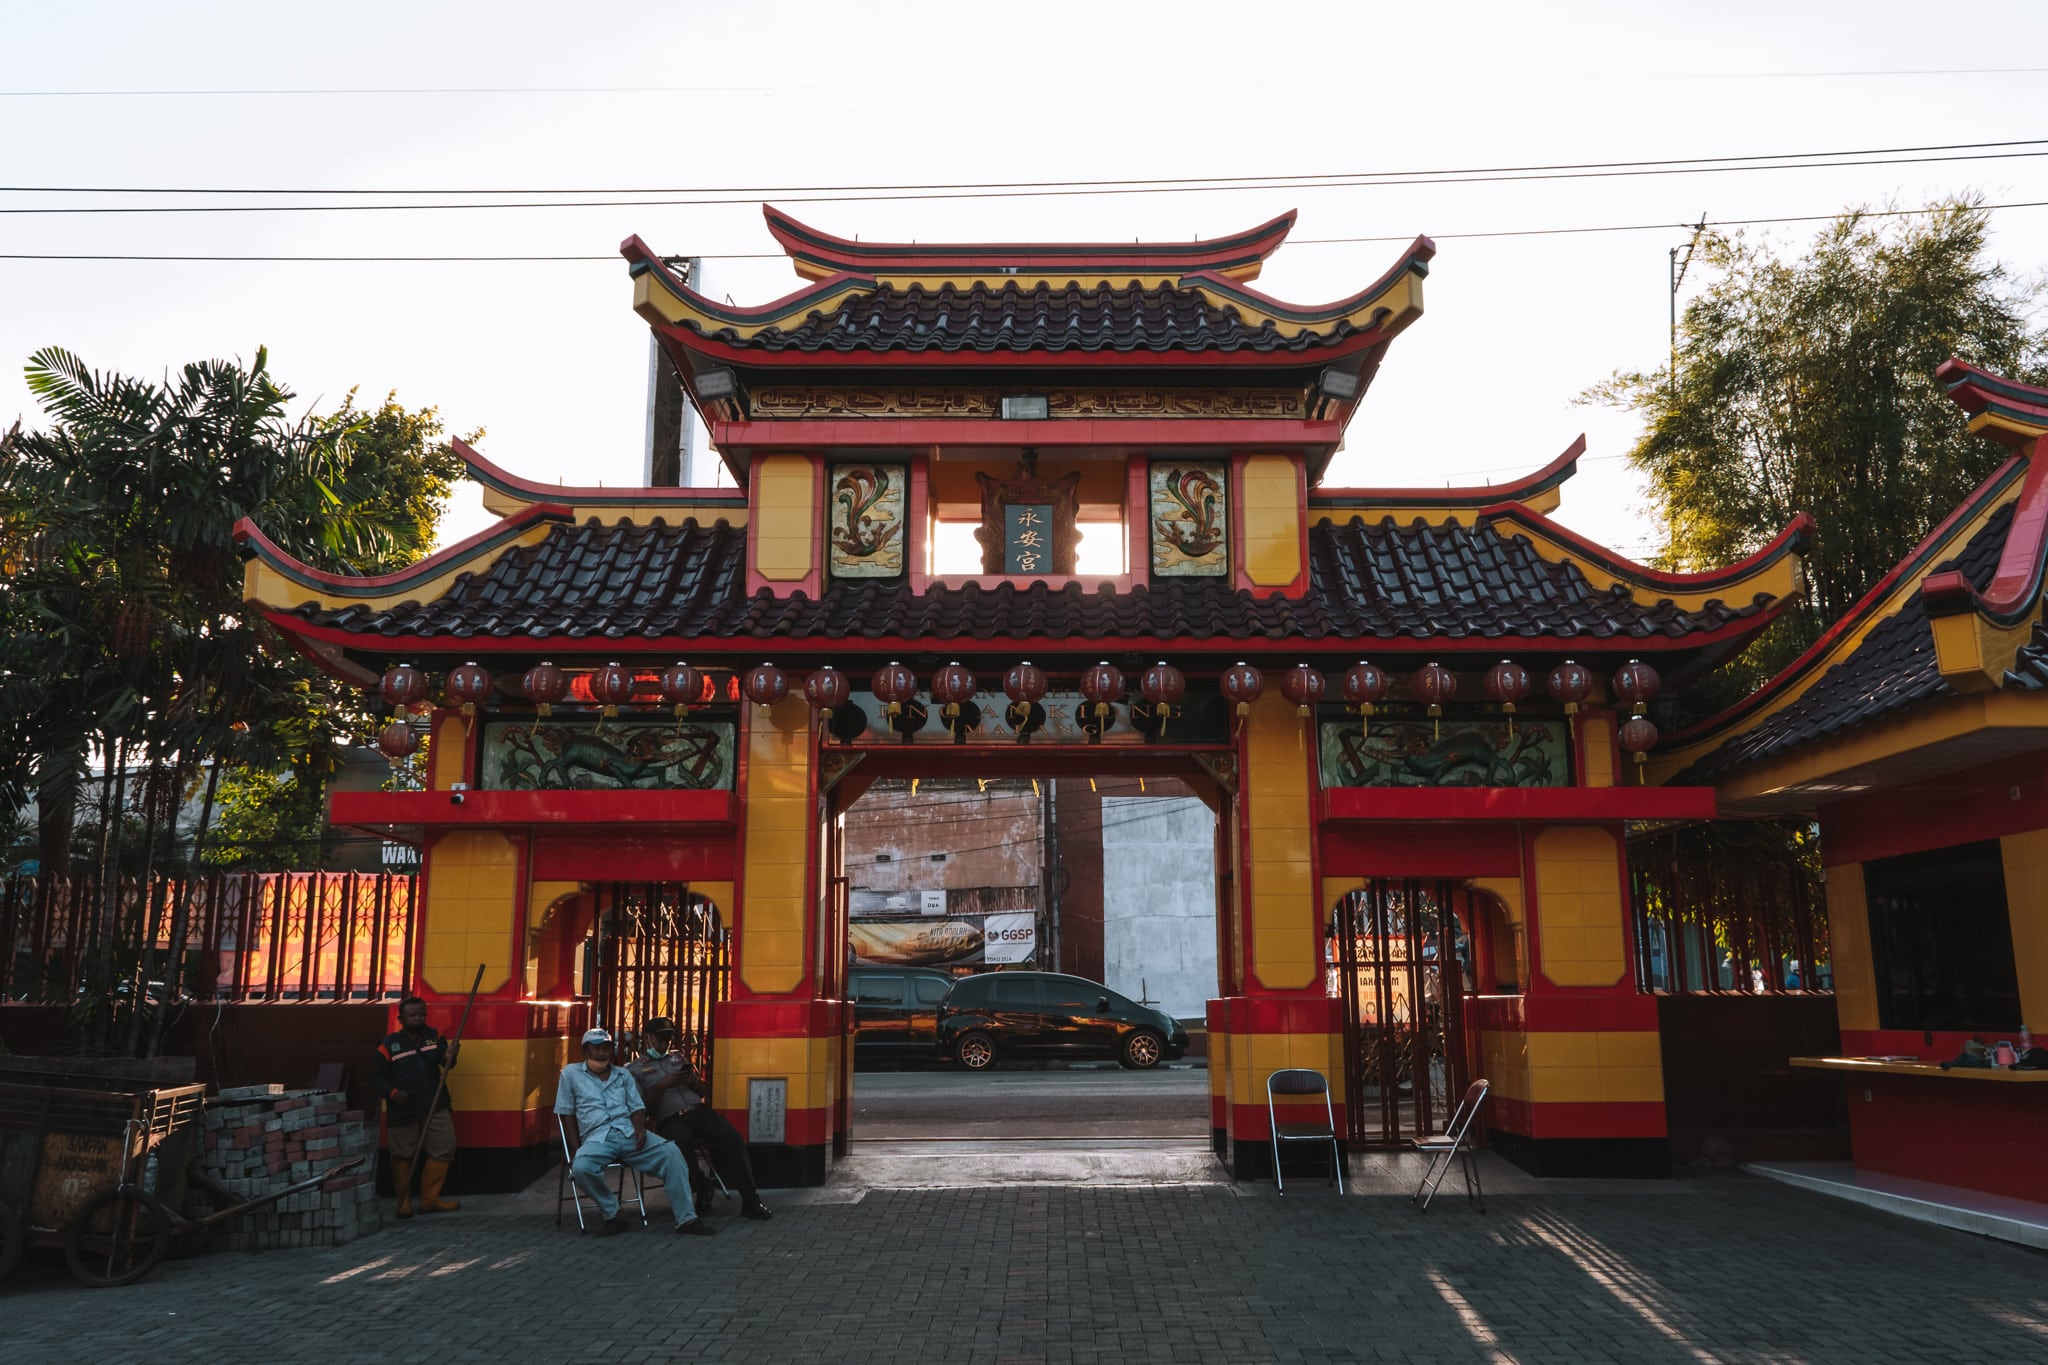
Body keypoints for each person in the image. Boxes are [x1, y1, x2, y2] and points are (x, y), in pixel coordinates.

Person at [555, 1027, 713, 1237]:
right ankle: (613, 1213)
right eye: (597, 1048)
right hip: (597, 1138)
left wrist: (639, 1128)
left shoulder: (623, 1074)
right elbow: (566, 1114)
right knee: (581, 1168)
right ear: (586, 1050)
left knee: (672, 1153)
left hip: (629, 1133)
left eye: (606, 1048)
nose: (602, 1053)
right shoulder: (571, 1074)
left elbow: (637, 1106)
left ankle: (687, 1219)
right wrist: (574, 1150)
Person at [627, 1017, 773, 1221]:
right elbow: (644, 1108)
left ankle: (751, 1199)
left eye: (668, 1038)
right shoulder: (634, 1070)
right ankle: (702, 1186)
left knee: (731, 1137)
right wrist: (662, 1085)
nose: (664, 1043)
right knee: (680, 1145)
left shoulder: (678, 1059)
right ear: (648, 1038)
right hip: (670, 1118)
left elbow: (704, 1090)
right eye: (660, 1038)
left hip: (698, 1111)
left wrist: (694, 1081)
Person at [371, 995, 461, 1218]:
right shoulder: (388, 1045)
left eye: (421, 1014)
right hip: (402, 1107)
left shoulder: (434, 1037)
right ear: (401, 1018)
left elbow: (446, 1063)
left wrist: (450, 1055)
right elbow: (377, 1079)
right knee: (401, 1154)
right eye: (412, 1015)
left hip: (435, 1103)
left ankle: (430, 1200)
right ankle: (403, 1202)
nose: (417, 1018)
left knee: (444, 1146)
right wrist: (393, 1093)